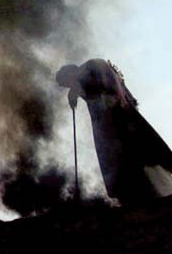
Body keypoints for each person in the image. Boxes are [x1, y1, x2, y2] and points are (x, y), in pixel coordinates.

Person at [56, 59, 172, 205]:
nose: (69, 86)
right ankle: (141, 195)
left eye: (67, 83)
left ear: (69, 73)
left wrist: (77, 90)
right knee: (129, 163)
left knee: (139, 156)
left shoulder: (92, 65)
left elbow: (109, 88)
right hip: (112, 128)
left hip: (121, 121)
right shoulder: (82, 81)